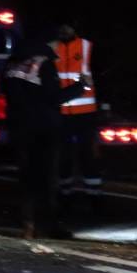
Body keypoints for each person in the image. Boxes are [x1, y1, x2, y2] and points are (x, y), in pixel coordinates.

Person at [3, 37, 88, 238]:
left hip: (19, 127)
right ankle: (47, 226)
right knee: (46, 179)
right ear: (49, 42)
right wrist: (80, 87)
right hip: (43, 129)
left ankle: (27, 224)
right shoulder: (44, 64)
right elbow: (53, 98)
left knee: (26, 178)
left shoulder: (13, 62)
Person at [50, 22, 103, 211]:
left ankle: (94, 195)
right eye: (62, 26)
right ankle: (65, 193)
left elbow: (100, 73)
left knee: (87, 154)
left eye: (69, 26)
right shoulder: (52, 47)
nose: (65, 30)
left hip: (85, 113)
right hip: (61, 112)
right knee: (64, 155)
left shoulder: (87, 46)